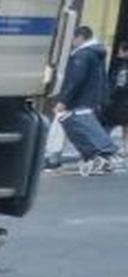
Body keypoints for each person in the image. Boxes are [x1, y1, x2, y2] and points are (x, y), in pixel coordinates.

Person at [55, 26, 118, 175]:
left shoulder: (82, 55)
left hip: (79, 99)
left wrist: (63, 100)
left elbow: (75, 79)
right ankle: (104, 154)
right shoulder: (96, 53)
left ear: (80, 38)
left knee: (77, 127)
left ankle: (93, 155)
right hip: (92, 98)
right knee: (89, 126)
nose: (71, 42)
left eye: (73, 38)